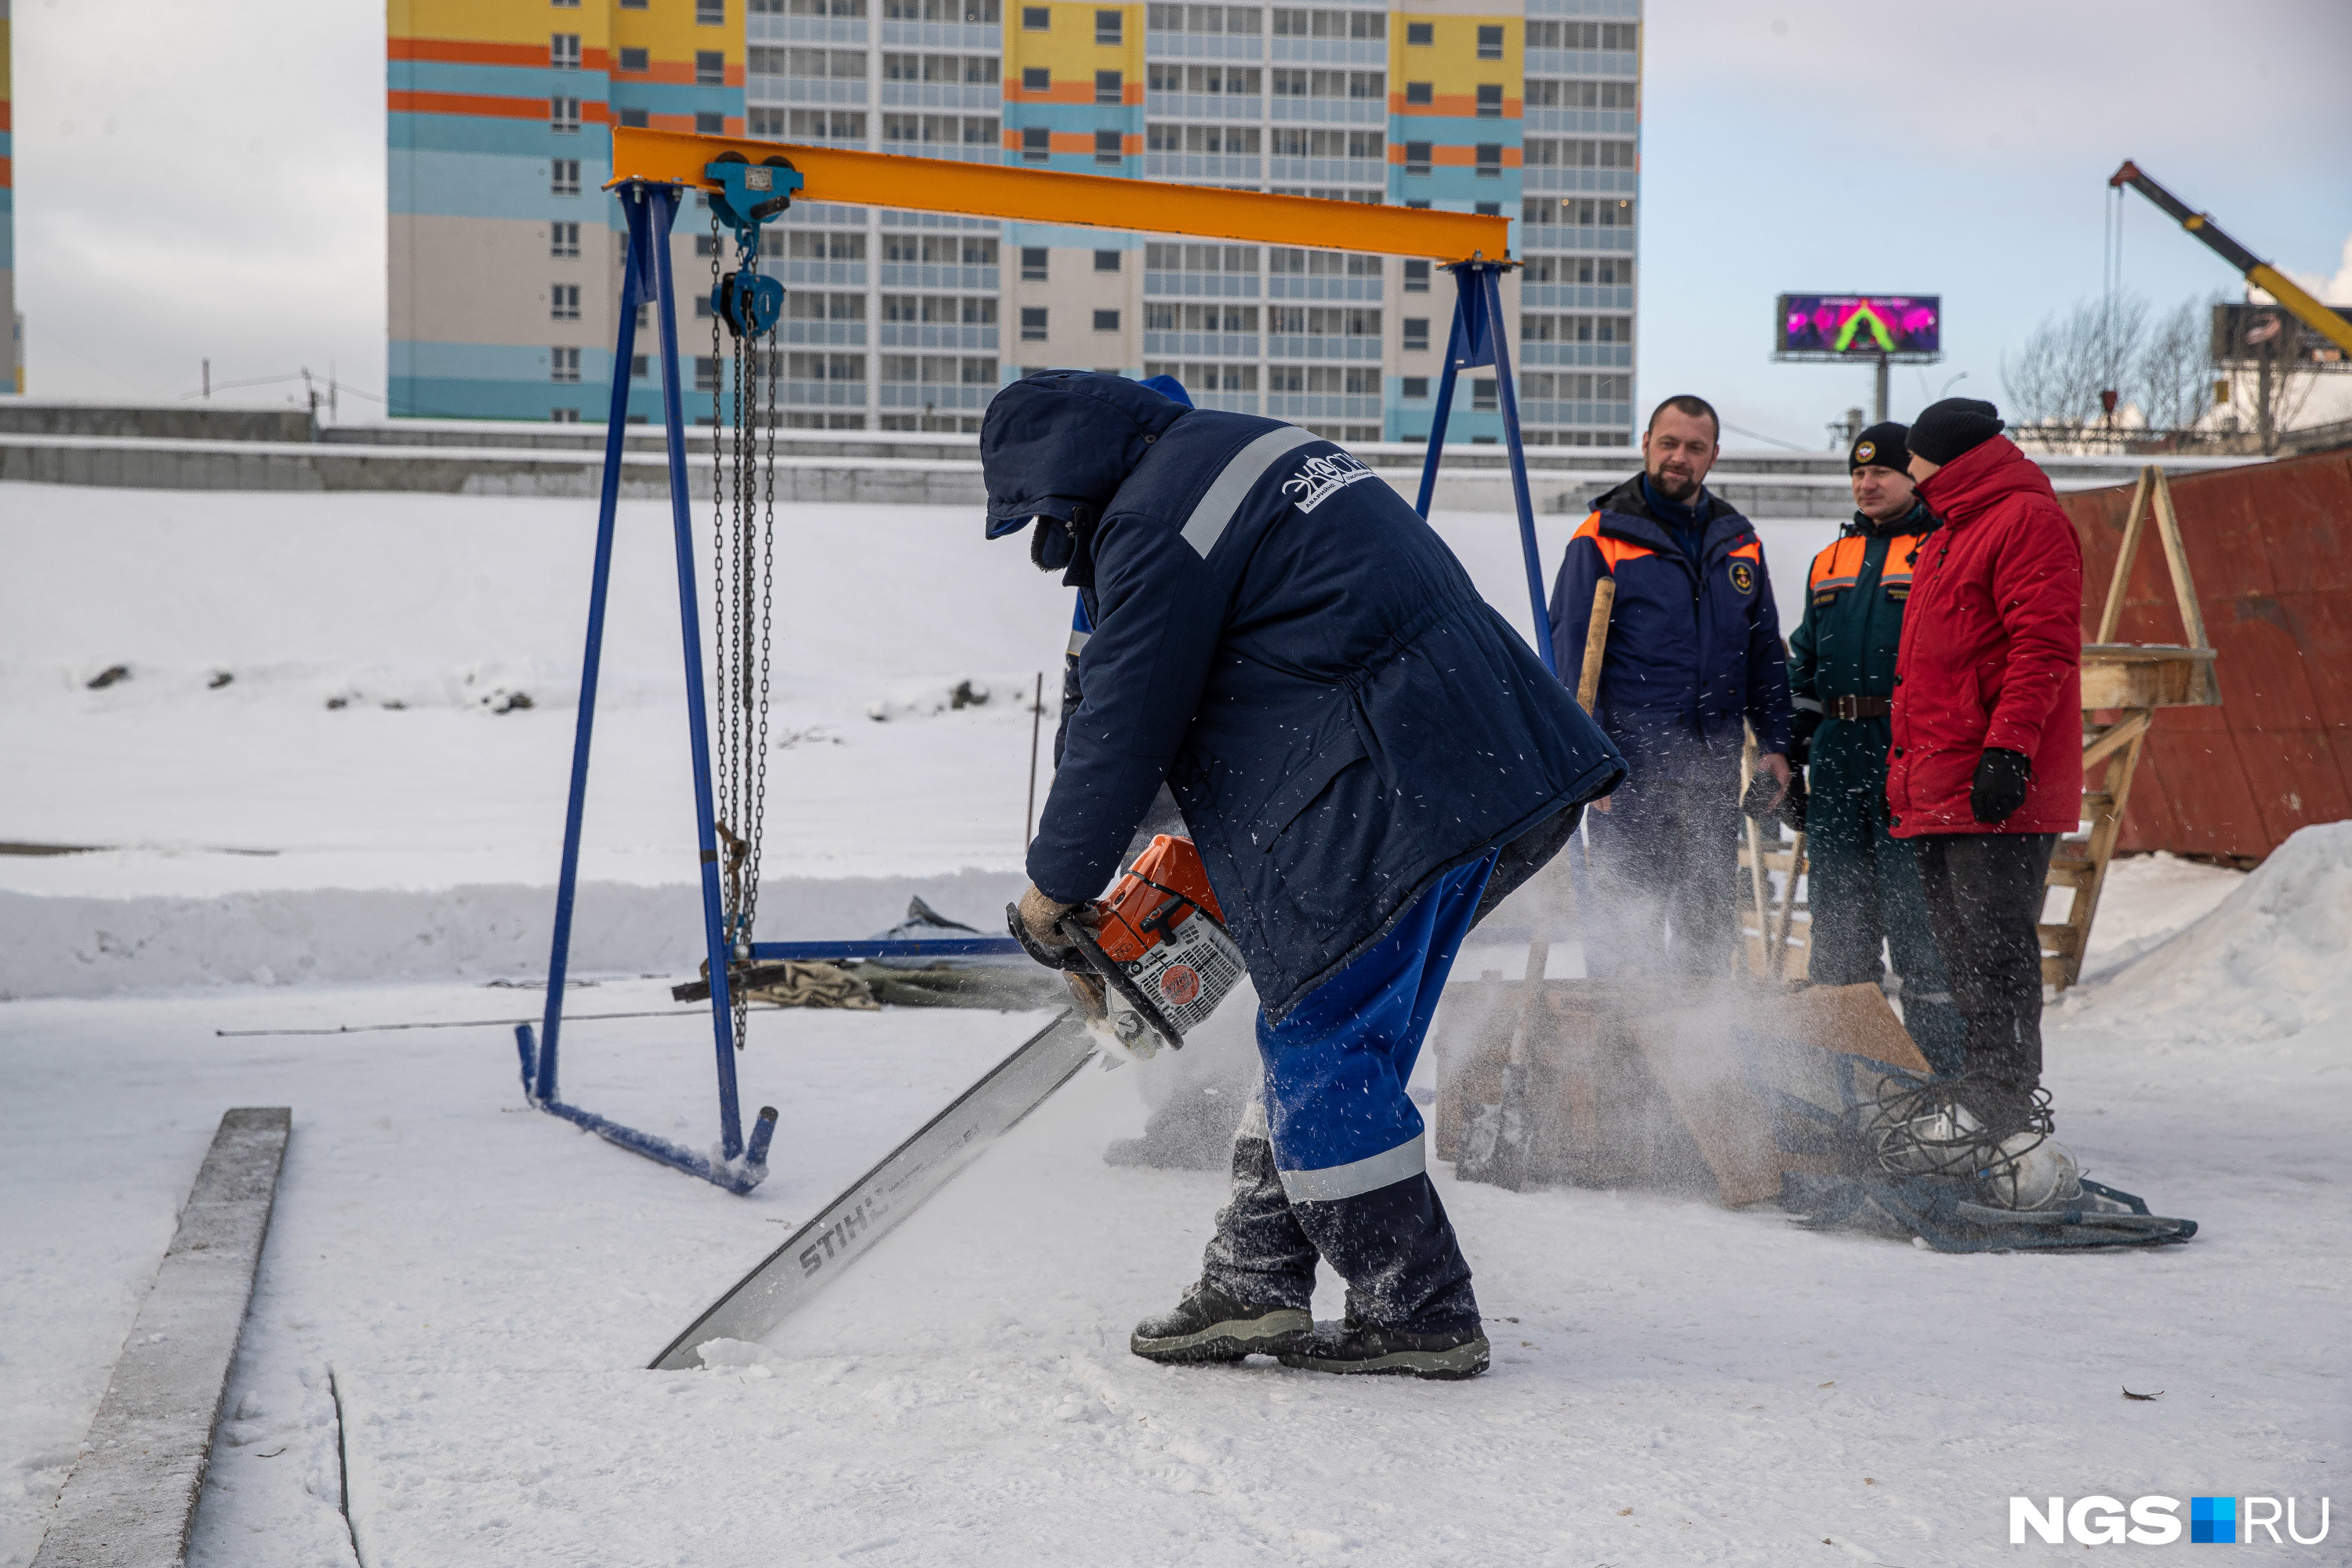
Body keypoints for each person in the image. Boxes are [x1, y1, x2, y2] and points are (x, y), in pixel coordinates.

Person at [986, 372, 1621, 1380]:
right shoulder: (1234, 454)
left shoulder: (1155, 518)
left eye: (1048, 521)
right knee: (1326, 1038)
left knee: (1320, 1036)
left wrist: (1054, 884)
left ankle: (1419, 1306)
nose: (1052, 541)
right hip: (1483, 759)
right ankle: (1255, 1279)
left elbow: (1127, 725)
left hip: (1395, 783)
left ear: (1064, 480)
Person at [1886, 397, 2082, 1134]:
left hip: (1994, 782)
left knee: (1995, 948)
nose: (1909, 469)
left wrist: (2008, 750)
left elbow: (2044, 647)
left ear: (1950, 459)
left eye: (1917, 456)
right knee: (1961, 954)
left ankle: (2004, 1104)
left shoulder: (2025, 520)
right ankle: (1980, 1089)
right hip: (1943, 781)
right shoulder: (1949, 532)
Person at [1546, 394, 1795, 976]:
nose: (1679, 457)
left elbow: (1764, 653)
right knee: (1627, 922)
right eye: (1668, 443)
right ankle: (1626, 1057)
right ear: (1646, 446)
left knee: (1707, 924)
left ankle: (1699, 1052)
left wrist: (1778, 744)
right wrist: (1590, 757)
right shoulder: (1603, 535)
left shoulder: (1739, 542)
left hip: (1710, 767)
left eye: (1694, 447)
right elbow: (1572, 656)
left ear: (1713, 456)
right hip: (1628, 770)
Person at [1787, 423, 1966, 1070]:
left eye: (1882, 472)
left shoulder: (1941, 550)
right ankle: (1847, 1088)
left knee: (1923, 934)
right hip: (1837, 761)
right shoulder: (1828, 562)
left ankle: (1943, 1089)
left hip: (1907, 756)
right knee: (1837, 934)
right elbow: (1804, 663)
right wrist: (1789, 751)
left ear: (1913, 477)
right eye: (1858, 473)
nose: (1867, 483)